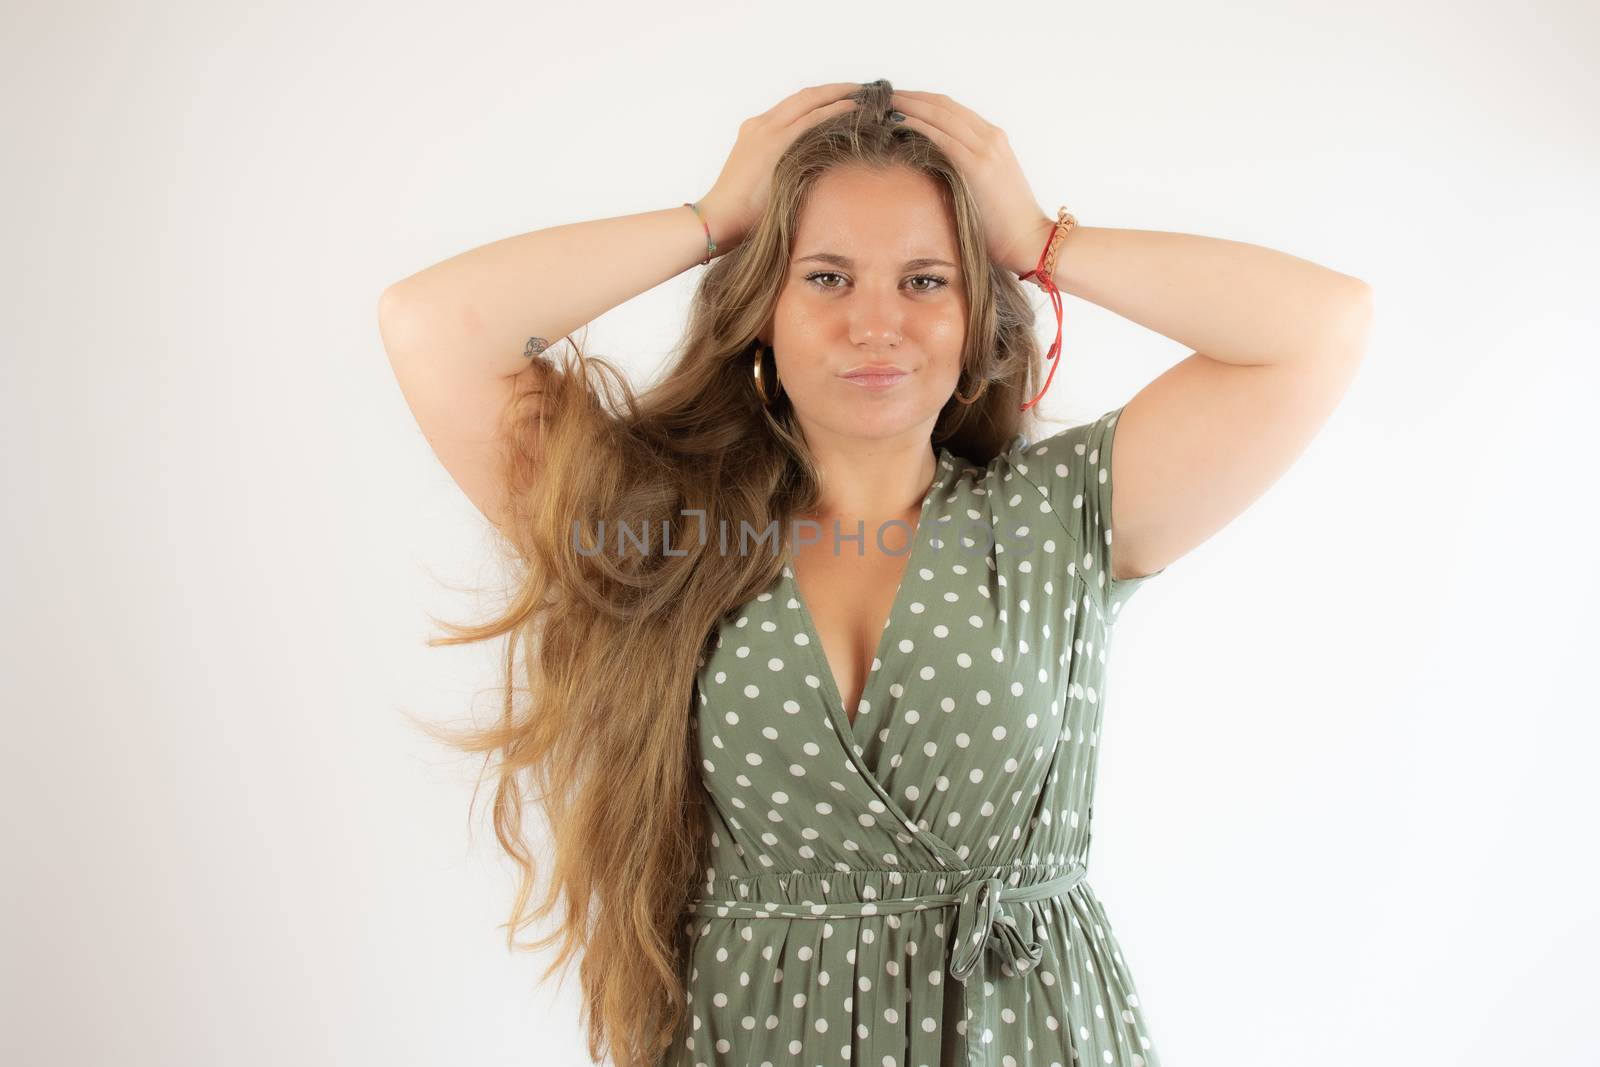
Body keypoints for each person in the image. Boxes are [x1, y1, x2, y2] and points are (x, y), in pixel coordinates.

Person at [377, 79, 1373, 1067]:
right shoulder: (661, 530)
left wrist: (1039, 240)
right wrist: (713, 216)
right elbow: (434, 328)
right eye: (825, 276)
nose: (875, 322)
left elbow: (1317, 329)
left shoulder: (1059, 517)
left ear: (979, 315)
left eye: (925, 279)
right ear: (760, 306)